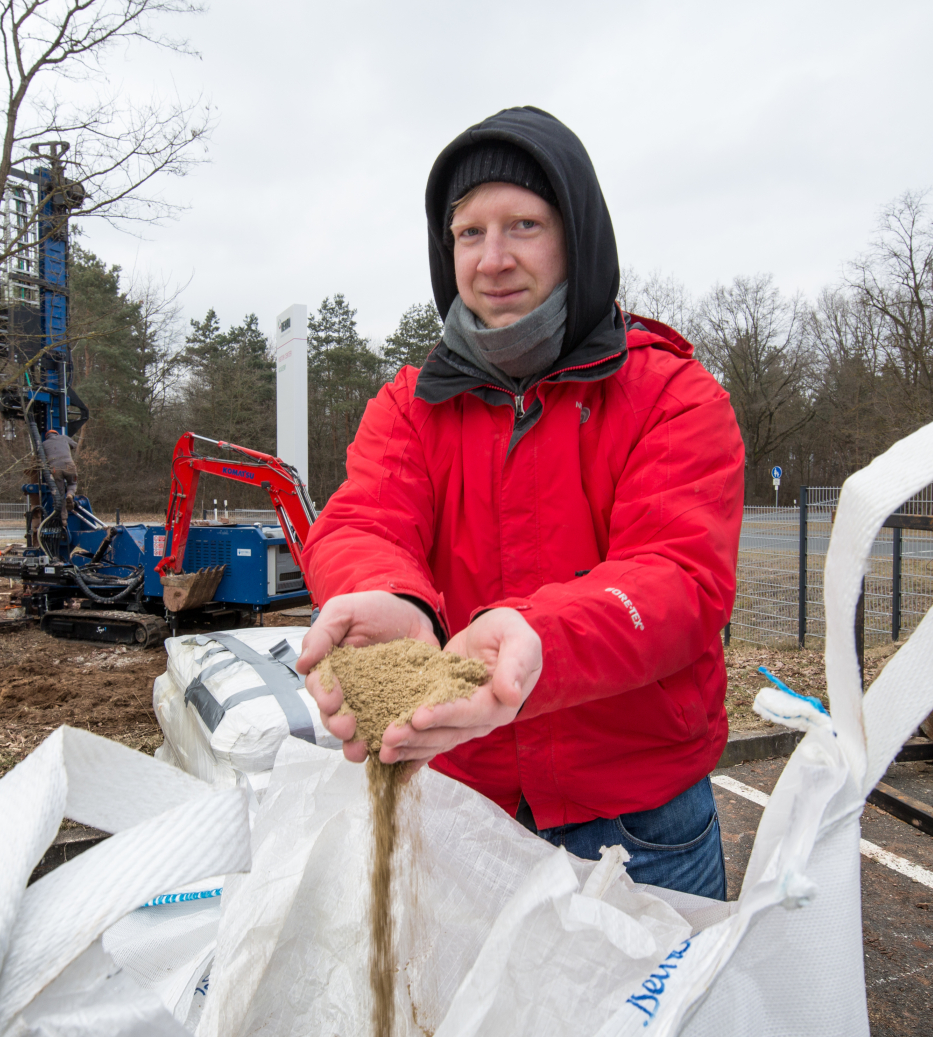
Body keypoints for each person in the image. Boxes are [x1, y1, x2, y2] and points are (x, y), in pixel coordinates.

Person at [294, 107, 745, 900]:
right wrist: (393, 597)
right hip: (465, 805)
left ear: (577, 236)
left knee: (658, 993)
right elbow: (363, 522)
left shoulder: (671, 394)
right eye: (469, 232)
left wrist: (543, 638)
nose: (493, 258)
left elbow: (677, 576)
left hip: (639, 824)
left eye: (523, 226)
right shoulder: (411, 406)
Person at [40, 427, 78, 523]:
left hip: (55, 468)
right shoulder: (64, 437)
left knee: (60, 494)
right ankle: (70, 495)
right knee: (72, 483)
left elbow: (40, 456)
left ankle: (64, 519)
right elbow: (75, 445)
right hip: (68, 465)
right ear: (57, 434)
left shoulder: (44, 444)